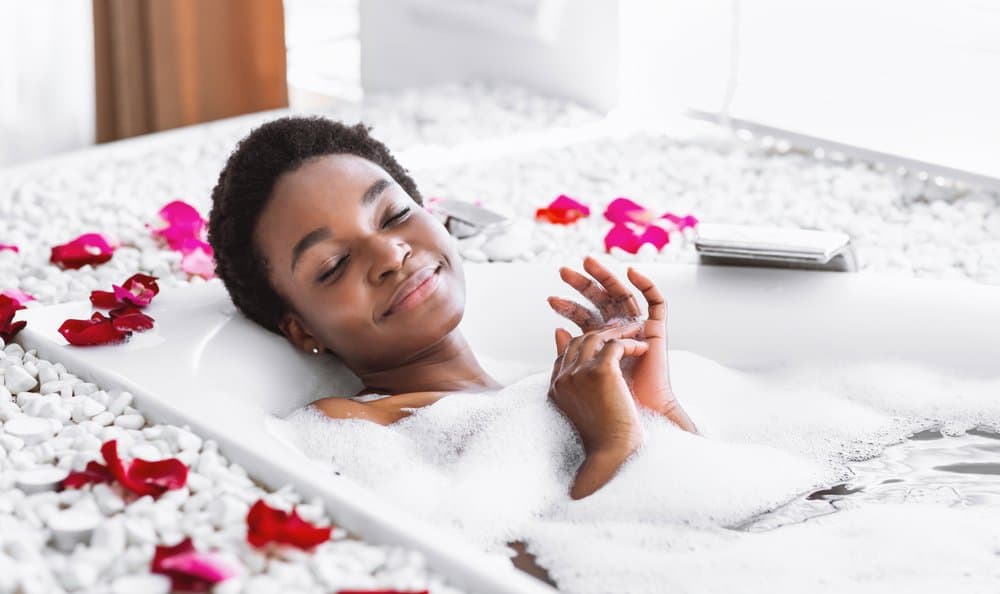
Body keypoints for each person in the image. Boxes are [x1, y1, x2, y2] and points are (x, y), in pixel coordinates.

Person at [207, 116, 698, 500]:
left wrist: (653, 405)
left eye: (395, 215)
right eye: (334, 264)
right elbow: (520, 564)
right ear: (301, 331)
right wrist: (612, 442)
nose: (390, 254)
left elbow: (710, 519)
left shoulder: (546, 388)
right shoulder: (352, 427)